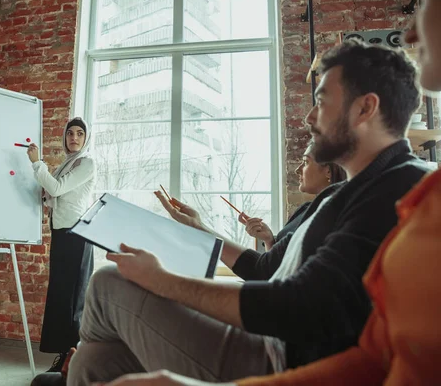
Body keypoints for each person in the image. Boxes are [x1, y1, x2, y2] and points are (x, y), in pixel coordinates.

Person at [57, 40, 429, 386]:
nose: (310, 117)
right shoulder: (338, 194)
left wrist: (162, 280)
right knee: (95, 362)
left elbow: (300, 306)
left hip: (277, 358)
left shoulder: (399, 190)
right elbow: (263, 269)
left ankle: (67, 368)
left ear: (365, 107)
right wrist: (200, 229)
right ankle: (73, 367)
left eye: (322, 101)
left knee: (107, 284)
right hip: (263, 339)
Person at [26, 117, 96, 375]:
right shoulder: (64, 165)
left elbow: (56, 188)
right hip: (62, 232)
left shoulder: (87, 163)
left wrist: (36, 163)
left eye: (79, 133)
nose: (74, 138)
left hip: (78, 233)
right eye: (70, 134)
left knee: (73, 300)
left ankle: (73, 360)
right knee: (59, 296)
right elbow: (50, 194)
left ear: (86, 138)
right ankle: (63, 357)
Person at [243, 142, 347, 251]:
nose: (298, 170)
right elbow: (274, 264)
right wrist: (268, 239)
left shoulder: (334, 220)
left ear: (328, 171)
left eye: (306, 162)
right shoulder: (304, 209)